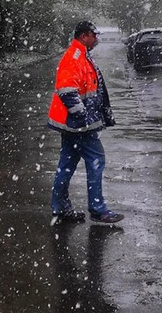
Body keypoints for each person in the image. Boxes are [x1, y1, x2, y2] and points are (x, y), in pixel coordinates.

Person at [47, 21, 123, 225]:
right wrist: (82, 118)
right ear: (83, 36)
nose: (96, 38)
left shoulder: (81, 55)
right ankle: (98, 210)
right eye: (93, 35)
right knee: (96, 161)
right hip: (80, 125)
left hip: (75, 125)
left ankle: (60, 208)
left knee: (66, 165)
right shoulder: (75, 57)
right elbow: (67, 91)